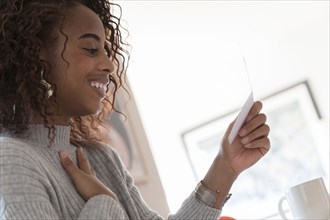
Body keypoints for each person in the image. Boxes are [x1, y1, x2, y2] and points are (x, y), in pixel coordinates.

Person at [0, 0, 270, 219]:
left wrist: (225, 165)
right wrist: (104, 202)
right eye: (91, 49)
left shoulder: (102, 157)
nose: (109, 64)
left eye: (106, 51)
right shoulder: (10, 160)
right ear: (36, 55)